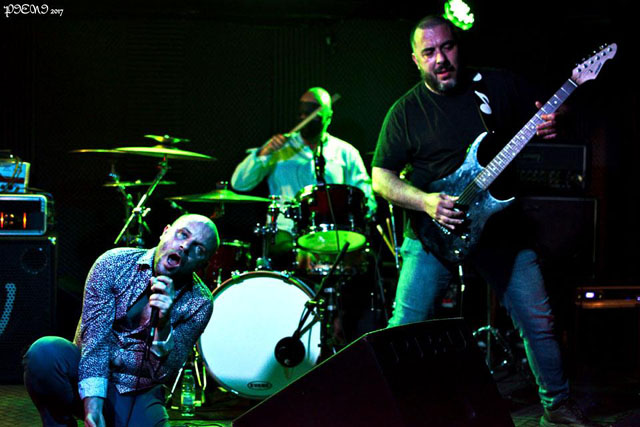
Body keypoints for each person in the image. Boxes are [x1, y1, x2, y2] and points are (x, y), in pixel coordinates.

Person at [371, 15, 596, 427]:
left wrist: (556, 121)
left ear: (459, 46)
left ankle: (557, 407)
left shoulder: (496, 84)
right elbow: (381, 178)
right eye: (429, 52)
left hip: (501, 229)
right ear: (416, 59)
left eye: (447, 47)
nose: (441, 59)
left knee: (539, 322)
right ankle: (386, 413)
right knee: (404, 326)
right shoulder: (405, 111)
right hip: (434, 231)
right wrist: (425, 202)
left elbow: (550, 111)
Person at [23, 214, 220, 427]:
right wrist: (93, 410)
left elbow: (163, 373)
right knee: (45, 353)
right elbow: (95, 341)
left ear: (203, 264)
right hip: (87, 373)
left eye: (198, 249)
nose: (185, 246)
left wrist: (163, 325)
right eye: (182, 235)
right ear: (165, 232)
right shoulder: (114, 263)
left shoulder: (200, 302)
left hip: (139, 391)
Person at [230, 86, 377, 259]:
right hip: (285, 232)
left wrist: (362, 215)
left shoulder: (346, 153)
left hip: (331, 233)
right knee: (281, 247)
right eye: (301, 113)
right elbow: (239, 184)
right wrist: (263, 154)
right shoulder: (279, 148)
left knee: (360, 255)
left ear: (328, 117)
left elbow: (366, 197)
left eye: (312, 113)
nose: (304, 118)